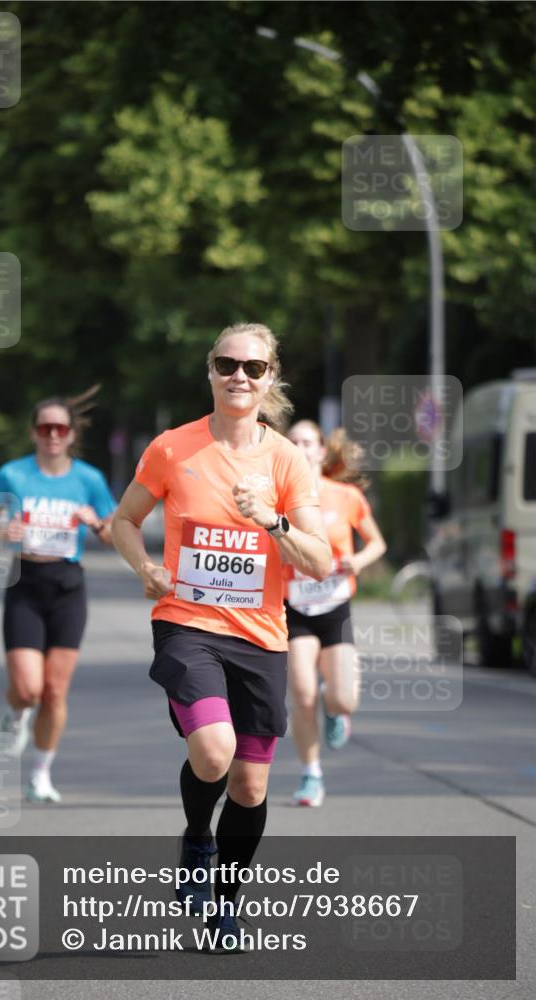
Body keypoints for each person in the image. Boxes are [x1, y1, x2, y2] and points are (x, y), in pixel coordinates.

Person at [112, 323, 331, 949]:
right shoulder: (172, 448)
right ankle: (197, 837)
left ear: (270, 379)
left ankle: (225, 902)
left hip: (262, 636)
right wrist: (146, 566)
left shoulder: (286, 459)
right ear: (210, 371)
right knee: (213, 751)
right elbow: (125, 519)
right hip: (189, 624)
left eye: (254, 367)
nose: (240, 375)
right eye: (227, 363)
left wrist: (273, 519)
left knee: (251, 784)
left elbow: (318, 561)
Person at [0, 390, 115, 803]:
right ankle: (16, 714)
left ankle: (40, 774)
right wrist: (3, 532)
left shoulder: (88, 479)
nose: (52, 435)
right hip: (25, 583)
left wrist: (95, 524)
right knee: (27, 689)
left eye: (60, 428)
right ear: (34, 433)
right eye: (44, 428)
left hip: (68, 585)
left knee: (55, 690)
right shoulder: (12, 474)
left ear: (71, 434)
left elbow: (113, 534)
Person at [285, 420, 386, 807]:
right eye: (293, 442)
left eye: (307, 442)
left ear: (322, 451)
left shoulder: (345, 496)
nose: (300, 447)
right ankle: (311, 774)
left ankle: (335, 708)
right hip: (293, 603)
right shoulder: (278, 499)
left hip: (335, 604)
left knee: (344, 699)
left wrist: (356, 562)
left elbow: (377, 543)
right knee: (302, 692)